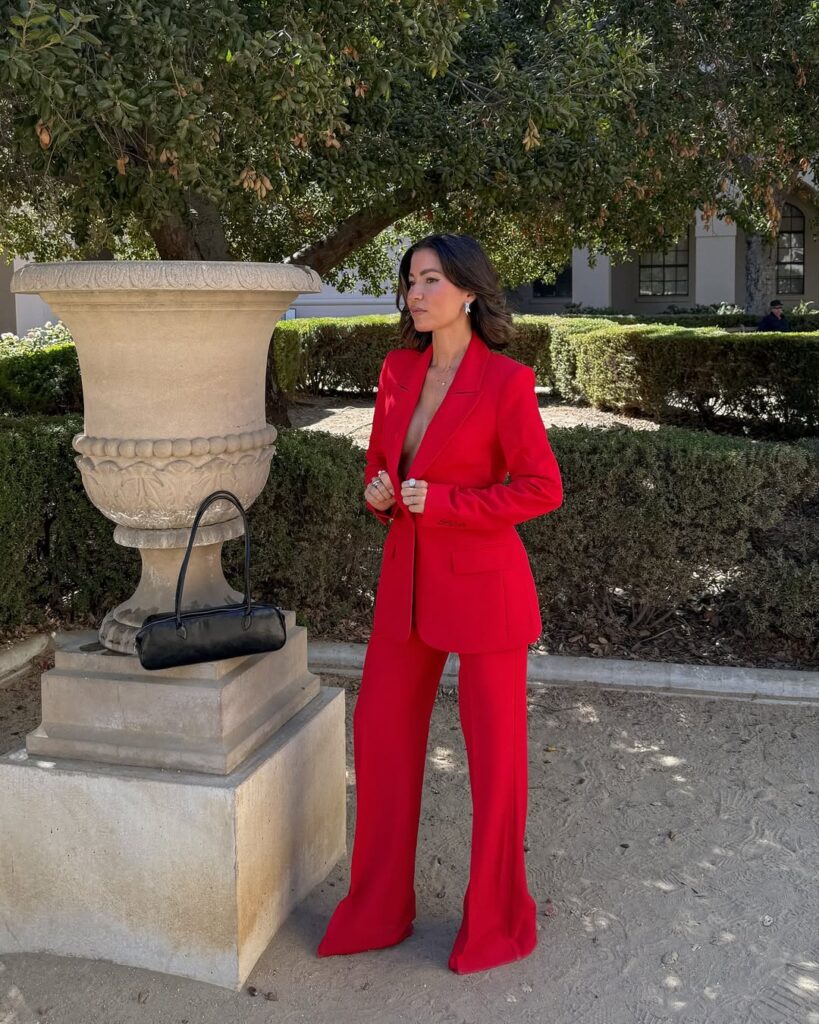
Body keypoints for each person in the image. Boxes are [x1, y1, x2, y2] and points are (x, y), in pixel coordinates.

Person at [317, 234, 563, 974]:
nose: (415, 294)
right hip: (407, 587)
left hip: (486, 592)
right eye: (410, 281)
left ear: (468, 291)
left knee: (495, 765)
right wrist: (380, 494)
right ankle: (378, 909)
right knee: (380, 740)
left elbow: (541, 489)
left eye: (430, 280)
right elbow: (382, 468)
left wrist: (448, 502)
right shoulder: (397, 371)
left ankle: (496, 922)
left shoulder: (507, 382)